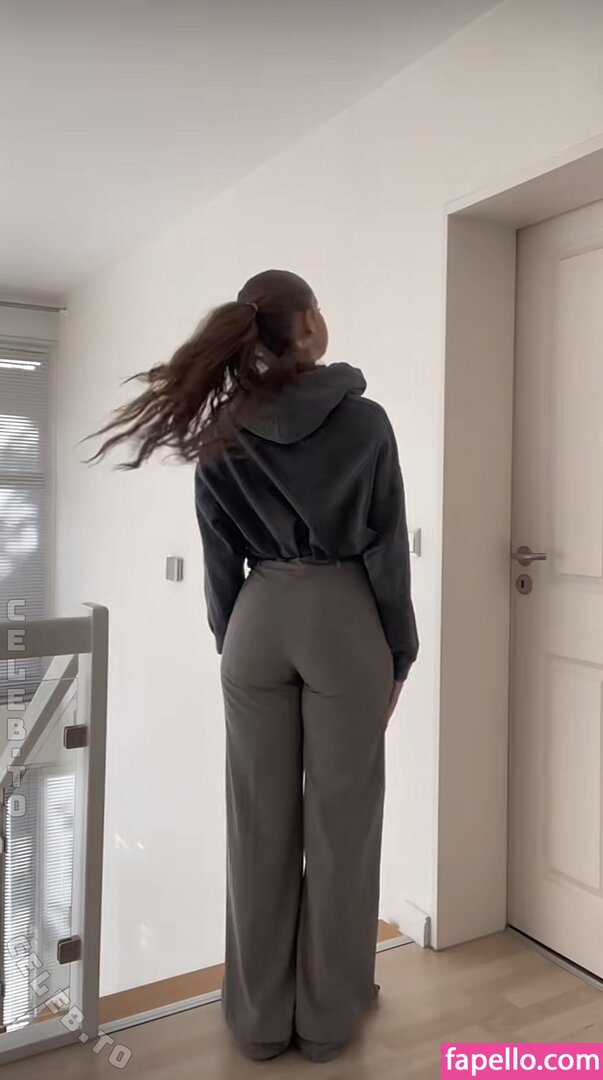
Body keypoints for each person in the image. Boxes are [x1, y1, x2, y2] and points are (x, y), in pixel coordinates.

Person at [88, 268, 418, 1064]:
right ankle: (327, 1019)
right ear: (305, 325)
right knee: (341, 826)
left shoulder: (219, 432)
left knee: (257, 822)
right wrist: (398, 654)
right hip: (342, 619)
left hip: (255, 621)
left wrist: (231, 641)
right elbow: (385, 550)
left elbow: (218, 561)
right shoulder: (364, 422)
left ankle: (259, 1020)